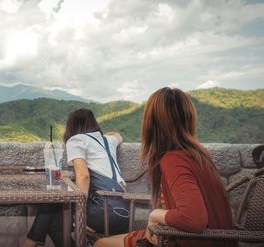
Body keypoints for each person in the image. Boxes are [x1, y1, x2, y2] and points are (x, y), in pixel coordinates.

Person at [94, 87, 236, 247]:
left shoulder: (174, 160)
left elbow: (195, 219)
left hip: (188, 240)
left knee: (101, 245)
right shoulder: (197, 155)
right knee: (102, 242)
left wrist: (155, 215)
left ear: (151, 124)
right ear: (188, 119)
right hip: (210, 238)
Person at [21, 108, 129, 247]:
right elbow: (117, 134)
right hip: (124, 213)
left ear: (71, 127)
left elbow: (83, 176)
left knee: (53, 208)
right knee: (55, 218)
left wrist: (80, 216)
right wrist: (97, 136)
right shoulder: (109, 141)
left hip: (103, 213)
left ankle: (30, 241)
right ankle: (31, 241)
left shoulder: (76, 140)